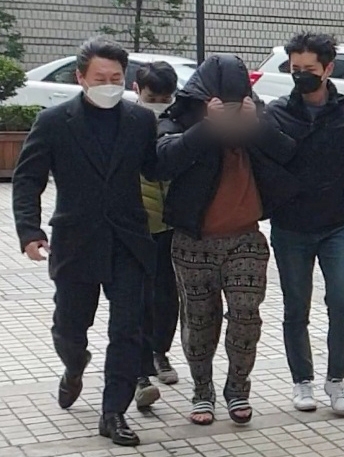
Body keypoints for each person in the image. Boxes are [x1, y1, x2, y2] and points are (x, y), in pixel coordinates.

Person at [12, 37, 165, 446]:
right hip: (76, 240)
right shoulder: (54, 122)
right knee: (69, 328)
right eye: (100, 78)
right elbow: (27, 179)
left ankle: (113, 412)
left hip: (128, 241)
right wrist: (29, 231)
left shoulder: (139, 120)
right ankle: (74, 365)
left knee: (127, 329)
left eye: (116, 78)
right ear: (81, 78)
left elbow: (155, 167)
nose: (109, 85)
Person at [155, 54, 299, 426]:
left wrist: (255, 126)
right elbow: (162, 160)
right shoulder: (181, 117)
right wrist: (207, 126)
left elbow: (289, 154)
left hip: (246, 237)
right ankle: (202, 391)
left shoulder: (256, 117)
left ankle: (237, 389)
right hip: (193, 240)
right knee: (199, 320)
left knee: (246, 317)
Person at [264, 32, 344, 414]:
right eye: (294, 68)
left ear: (328, 69)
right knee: (296, 307)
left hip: (337, 226)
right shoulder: (276, 114)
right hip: (290, 227)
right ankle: (302, 380)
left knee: (342, 302)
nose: (300, 75)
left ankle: (337, 379)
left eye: (308, 68)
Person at [132, 61, 180, 411]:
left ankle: (160, 352)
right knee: (138, 297)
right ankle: (141, 367)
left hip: (173, 223)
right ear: (137, 90)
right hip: (136, 225)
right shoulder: (127, 122)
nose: (159, 105)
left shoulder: (180, 122)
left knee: (167, 295)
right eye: (152, 98)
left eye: (165, 99)